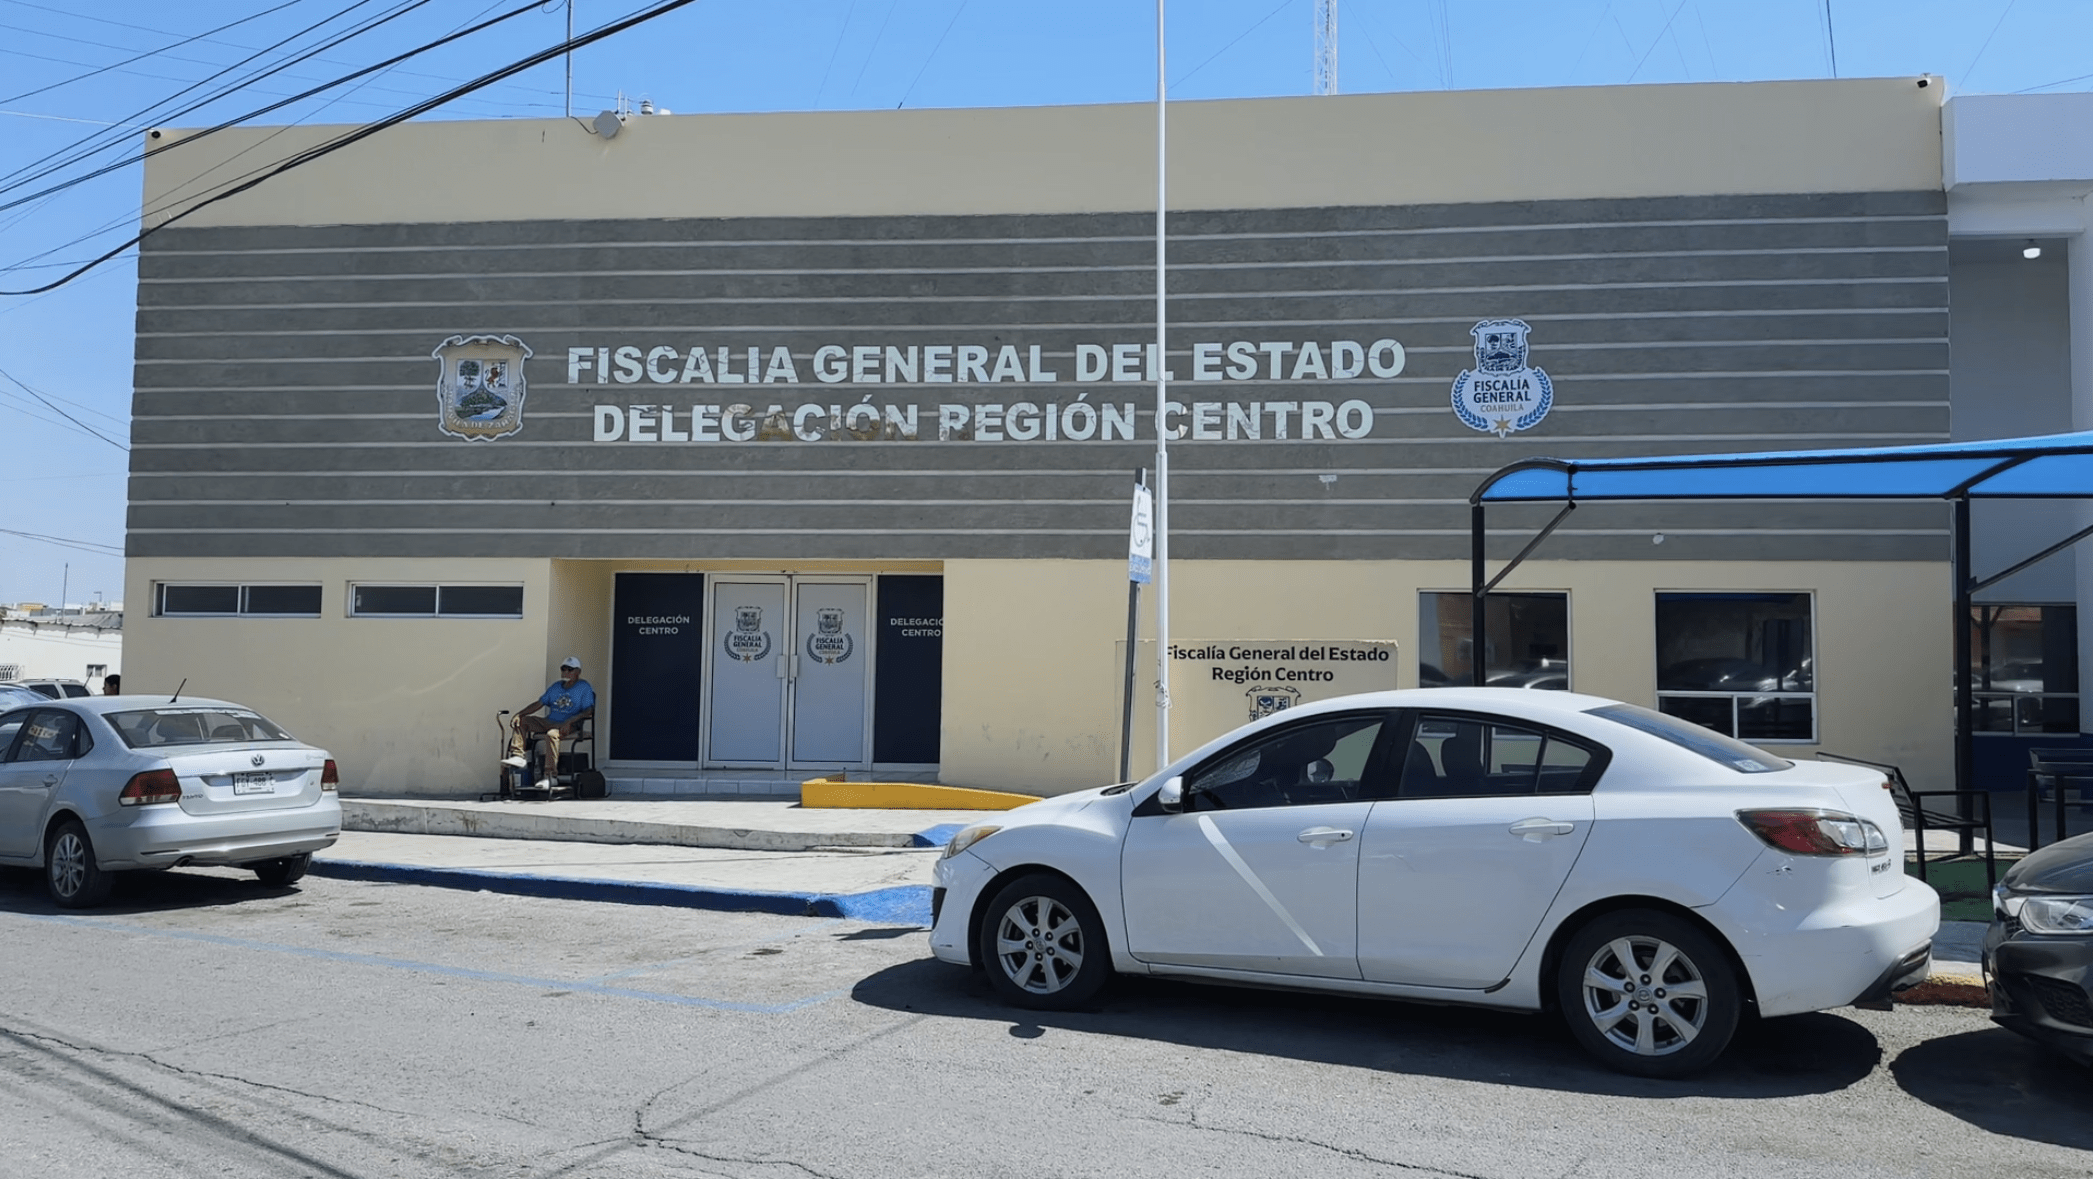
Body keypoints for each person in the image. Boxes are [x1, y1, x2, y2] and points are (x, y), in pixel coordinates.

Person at [503, 657, 595, 788]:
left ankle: (550, 776)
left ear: (578, 672)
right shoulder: (556, 686)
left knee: (552, 734)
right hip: (549, 721)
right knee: (522, 721)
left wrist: (570, 721)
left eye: (570, 669)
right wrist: (520, 713)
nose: (566, 672)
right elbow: (539, 704)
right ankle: (518, 755)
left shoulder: (583, 687)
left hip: (569, 724)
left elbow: (589, 710)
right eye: (563, 669)